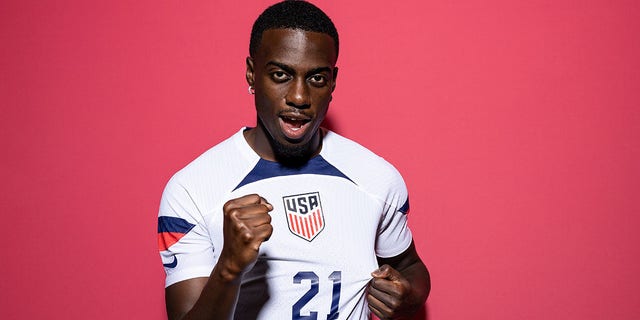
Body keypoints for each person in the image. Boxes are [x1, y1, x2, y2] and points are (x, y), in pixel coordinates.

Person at [157, 1, 430, 319]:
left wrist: (405, 292)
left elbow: (411, 268)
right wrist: (229, 269)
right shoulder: (192, 189)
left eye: (316, 79)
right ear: (251, 73)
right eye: (280, 75)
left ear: (333, 82)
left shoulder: (376, 177)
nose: (299, 97)